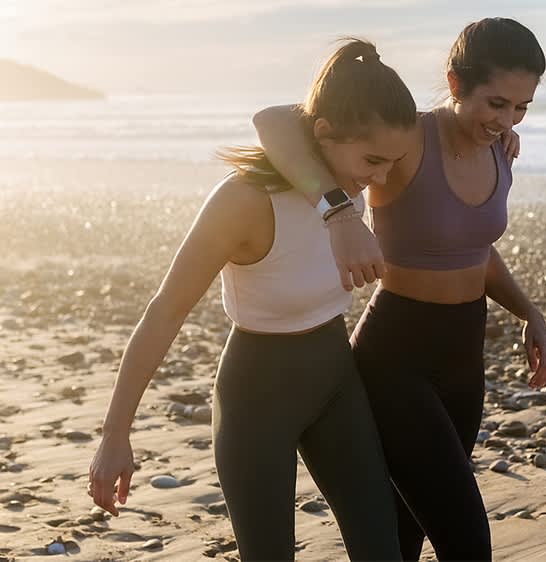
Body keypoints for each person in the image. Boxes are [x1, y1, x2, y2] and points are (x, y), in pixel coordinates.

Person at [87, 39, 418, 561]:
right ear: (324, 135)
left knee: (383, 552)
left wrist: (498, 138)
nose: (380, 178)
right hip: (256, 399)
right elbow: (165, 309)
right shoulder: (243, 201)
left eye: (391, 162)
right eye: (372, 160)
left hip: (336, 382)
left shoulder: (350, 186)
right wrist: (115, 433)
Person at [252, 17, 546, 562]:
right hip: (396, 357)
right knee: (466, 539)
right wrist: (339, 214)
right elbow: (272, 120)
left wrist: (528, 312)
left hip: (465, 357)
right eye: (495, 103)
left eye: (520, 108)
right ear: (455, 82)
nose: (506, 119)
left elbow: (476, 250)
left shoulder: (499, 149)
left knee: (403, 537)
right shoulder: (408, 135)